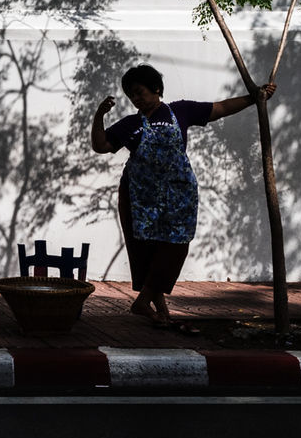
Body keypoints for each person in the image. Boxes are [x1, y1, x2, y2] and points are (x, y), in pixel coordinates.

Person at [90, 63, 275, 332]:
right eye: (131, 95)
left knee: (176, 246)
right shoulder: (131, 124)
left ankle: (143, 302)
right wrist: (99, 115)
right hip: (140, 199)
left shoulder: (181, 111)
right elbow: (101, 146)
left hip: (178, 196)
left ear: (157, 89)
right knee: (148, 250)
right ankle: (160, 311)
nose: (136, 98)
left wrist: (255, 97)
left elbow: (221, 108)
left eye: (140, 91)